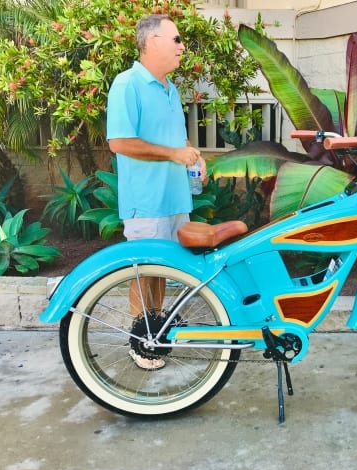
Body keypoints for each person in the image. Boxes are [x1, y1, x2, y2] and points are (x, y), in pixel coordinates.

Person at [106, 13, 205, 370]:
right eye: (176, 39)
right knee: (143, 270)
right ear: (152, 43)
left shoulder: (169, 87)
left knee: (162, 269)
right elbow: (119, 142)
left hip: (175, 197)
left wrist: (192, 153)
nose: (182, 46)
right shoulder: (127, 84)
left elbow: (174, 139)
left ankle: (156, 331)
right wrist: (173, 153)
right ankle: (139, 341)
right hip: (146, 201)